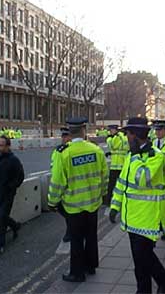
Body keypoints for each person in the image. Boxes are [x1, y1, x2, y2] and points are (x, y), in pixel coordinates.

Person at [110, 117, 165, 294]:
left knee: (142, 259)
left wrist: (137, 156)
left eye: (128, 134)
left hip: (147, 218)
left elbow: (143, 178)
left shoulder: (155, 156)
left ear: (136, 135)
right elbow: (122, 182)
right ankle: (163, 281)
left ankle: (150, 288)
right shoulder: (131, 155)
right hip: (131, 217)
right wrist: (115, 205)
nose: (126, 138)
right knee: (141, 259)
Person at [48, 117, 108, 283]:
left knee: (76, 240)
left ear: (69, 131)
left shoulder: (64, 153)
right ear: (84, 130)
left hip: (73, 206)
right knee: (91, 236)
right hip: (93, 203)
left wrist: (52, 202)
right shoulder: (96, 150)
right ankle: (91, 266)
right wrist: (102, 194)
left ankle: (77, 273)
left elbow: (57, 182)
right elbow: (104, 176)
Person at [0, 135, 25, 256]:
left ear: (8, 146)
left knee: (2, 217)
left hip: (7, 194)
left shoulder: (14, 160)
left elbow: (20, 176)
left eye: (1, 145)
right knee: (0, 216)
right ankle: (15, 226)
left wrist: (11, 187)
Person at [50, 127, 73, 243]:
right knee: (63, 209)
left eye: (67, 136)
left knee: (70, 211)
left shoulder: (73, 149)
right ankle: (71, 227)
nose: (64, 138)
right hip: (61, 185)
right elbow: (54, 167)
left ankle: (70, 230)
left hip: (71, 187)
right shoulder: (58, 150)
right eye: (63, 136)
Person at [104, 125, 128, 207]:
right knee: (123, 185)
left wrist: (109, 138)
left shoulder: (117, 137)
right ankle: (124, 200)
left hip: (116, 165)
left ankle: (108, 201)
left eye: (111, 130)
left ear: (115, 130)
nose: (110, 132)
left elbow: (111, 146)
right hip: (122, 165)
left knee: (111, 185)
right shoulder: (123, 136)